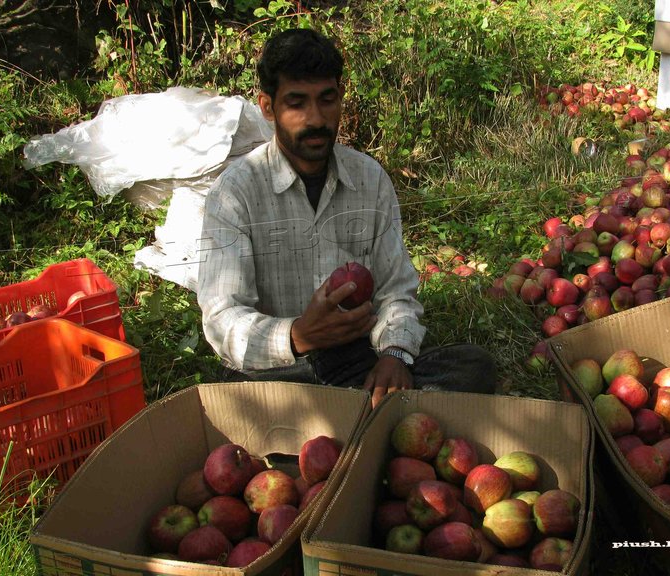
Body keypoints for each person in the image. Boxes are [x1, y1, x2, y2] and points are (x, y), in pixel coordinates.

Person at [197, 28, 498, 407]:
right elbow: (223, 319)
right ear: (268, 108)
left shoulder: (369, 179)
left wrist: (394, 355)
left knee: (473, 366)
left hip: (356, 362)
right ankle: (359, 414)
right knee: (242, 398)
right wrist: (298, 336)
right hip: (280, 372)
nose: (316, 119)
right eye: (297, 103)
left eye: (327, 100)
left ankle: (351, 410)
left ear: (340, 97)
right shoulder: (235, 192)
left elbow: (396, 290)